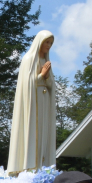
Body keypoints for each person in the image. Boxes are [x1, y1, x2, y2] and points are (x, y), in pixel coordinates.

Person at [8, 30, 56, 174]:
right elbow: (26, 84)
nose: (49, 45)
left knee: (43, 132)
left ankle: (43, 167)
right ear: (39, 42)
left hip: (44, 101)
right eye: (47, 42)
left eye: (51, 43)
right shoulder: (29, 59)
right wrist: (41, 75)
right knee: (32, 131)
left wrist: (47, 78)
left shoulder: (46, 62)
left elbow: (52, 85)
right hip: (31, 104)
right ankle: (29, 166)